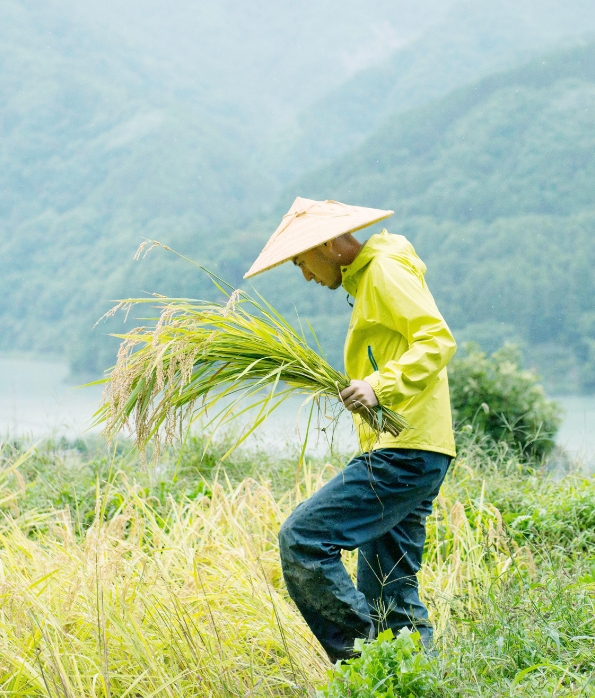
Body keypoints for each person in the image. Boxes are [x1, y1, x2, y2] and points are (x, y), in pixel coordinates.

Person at [244, 197, 457, 663]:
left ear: (326, 245)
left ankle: (366, 665)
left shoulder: (383, 271)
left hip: (405, 450)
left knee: (303, 539)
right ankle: (413, 682)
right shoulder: (368, 279)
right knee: (389, 594)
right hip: (417, 446)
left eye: (301, 262)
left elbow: (437, 339)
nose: (305, 275)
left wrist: (379, 386)